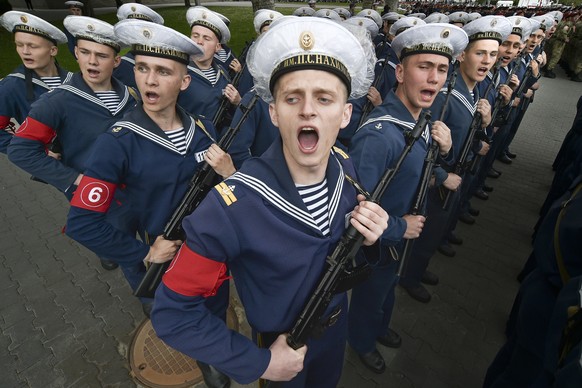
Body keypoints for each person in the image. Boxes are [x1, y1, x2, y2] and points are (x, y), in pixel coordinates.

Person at [152, 17, 387, 387]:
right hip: (282, 349)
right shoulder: (230, 206)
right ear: (274, 112)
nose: (308, 110)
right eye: (292, 98)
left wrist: (369, 238)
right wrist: (257, 362)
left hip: (334, 332)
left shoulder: (344, 165)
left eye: (324, 98)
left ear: (345, 115)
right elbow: (172, 315)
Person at [65, 19, 234, 388]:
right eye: (142, 68)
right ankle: (206, 356)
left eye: (163, 71)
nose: (150, 81)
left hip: (213, 250)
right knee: (184, 312)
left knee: (217, 304)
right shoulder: (119, 140)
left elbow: (227, 194)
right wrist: (142, 253)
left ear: (184, 81)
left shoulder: (204, 127)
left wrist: (230, 173)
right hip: (169, 255)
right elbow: (82, 222)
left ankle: (217, 344)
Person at [347, 22, 463, 374]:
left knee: (387, 290)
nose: (433, 78)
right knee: (371, 295)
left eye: (441, 69)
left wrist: (443, 164)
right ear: (399, 72)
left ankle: (380, 326)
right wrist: (400, 227)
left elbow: (416, 167)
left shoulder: (420, 119)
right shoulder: (380, 135)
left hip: (400, 238)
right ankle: (363, 341)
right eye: (423, 67)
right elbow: (356, 208)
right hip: (380, 244)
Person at [7, 16, 137, 272]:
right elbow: (20, 151)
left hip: (137, 187)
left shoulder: (130, 94)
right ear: (75, 53)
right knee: (123, 247)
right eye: (85, 52)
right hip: (102, 194)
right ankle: (146, 296)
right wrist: (75, 179)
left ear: (116, 61)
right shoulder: (56, 101)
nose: (92, 61)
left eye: (101, 55)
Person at [399, 15, 512, 303]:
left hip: (456, 174)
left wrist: (485, 125)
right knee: (423, 235)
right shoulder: (444, 95)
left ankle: (418, 268)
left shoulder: (475, 90)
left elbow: (466, 135)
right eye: (480, 53)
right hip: (436, 180)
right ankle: (408, 277)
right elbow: (417, 144)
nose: (487, 60)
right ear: (462, 56)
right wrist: (441, 175)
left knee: (435, 231)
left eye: (492, 54)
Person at [0, 11, 71, 153]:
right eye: (19, 45)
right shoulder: (11, 86)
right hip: (53, 169)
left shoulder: (73, 79)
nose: (25, 52)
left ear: (53, 50)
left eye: (33, 46)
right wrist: (34, 153)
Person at [180, 6, 241, 135]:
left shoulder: (223, 74)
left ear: (218, 47)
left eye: (206, 38)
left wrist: (237, 102)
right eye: (195, 36)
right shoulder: (179, 73)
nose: (199, 42)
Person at [112, 3, 165, 89]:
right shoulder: (120, 67)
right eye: (133, 30)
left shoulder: (165, 60)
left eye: (143, 30)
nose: (137, 34)